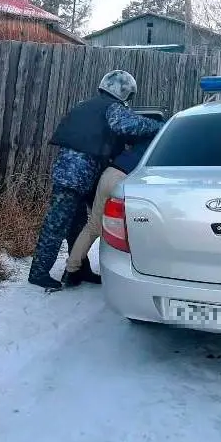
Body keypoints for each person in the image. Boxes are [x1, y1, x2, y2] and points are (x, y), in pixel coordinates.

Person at [28, 70, 164, 290]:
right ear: (124, 92)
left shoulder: (85, 105)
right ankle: (38, 273)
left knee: (77, 224)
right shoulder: (112, 108)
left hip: (71, 172)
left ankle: (79, 270)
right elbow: (127, 126)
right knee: (57, 224)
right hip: (77, 175)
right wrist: (160, 127)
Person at [62, 119, 164, 287]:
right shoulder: (165, 141)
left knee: (93, 226)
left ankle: (70, 271)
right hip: (128, 180)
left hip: (110, 173)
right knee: (126, 230)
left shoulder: (144, 135)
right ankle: (123, 274)